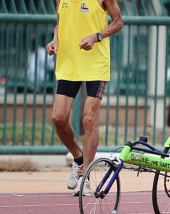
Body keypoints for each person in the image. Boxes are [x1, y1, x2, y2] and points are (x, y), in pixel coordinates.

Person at [46, 0, 123, 196]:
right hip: (69, 63)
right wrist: (55, 39)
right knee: (58, 118)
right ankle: (79, 159)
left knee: (89, 119)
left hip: (96, 64)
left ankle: (85, 178)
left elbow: (118, 22)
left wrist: (96, 37)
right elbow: (60, 21)